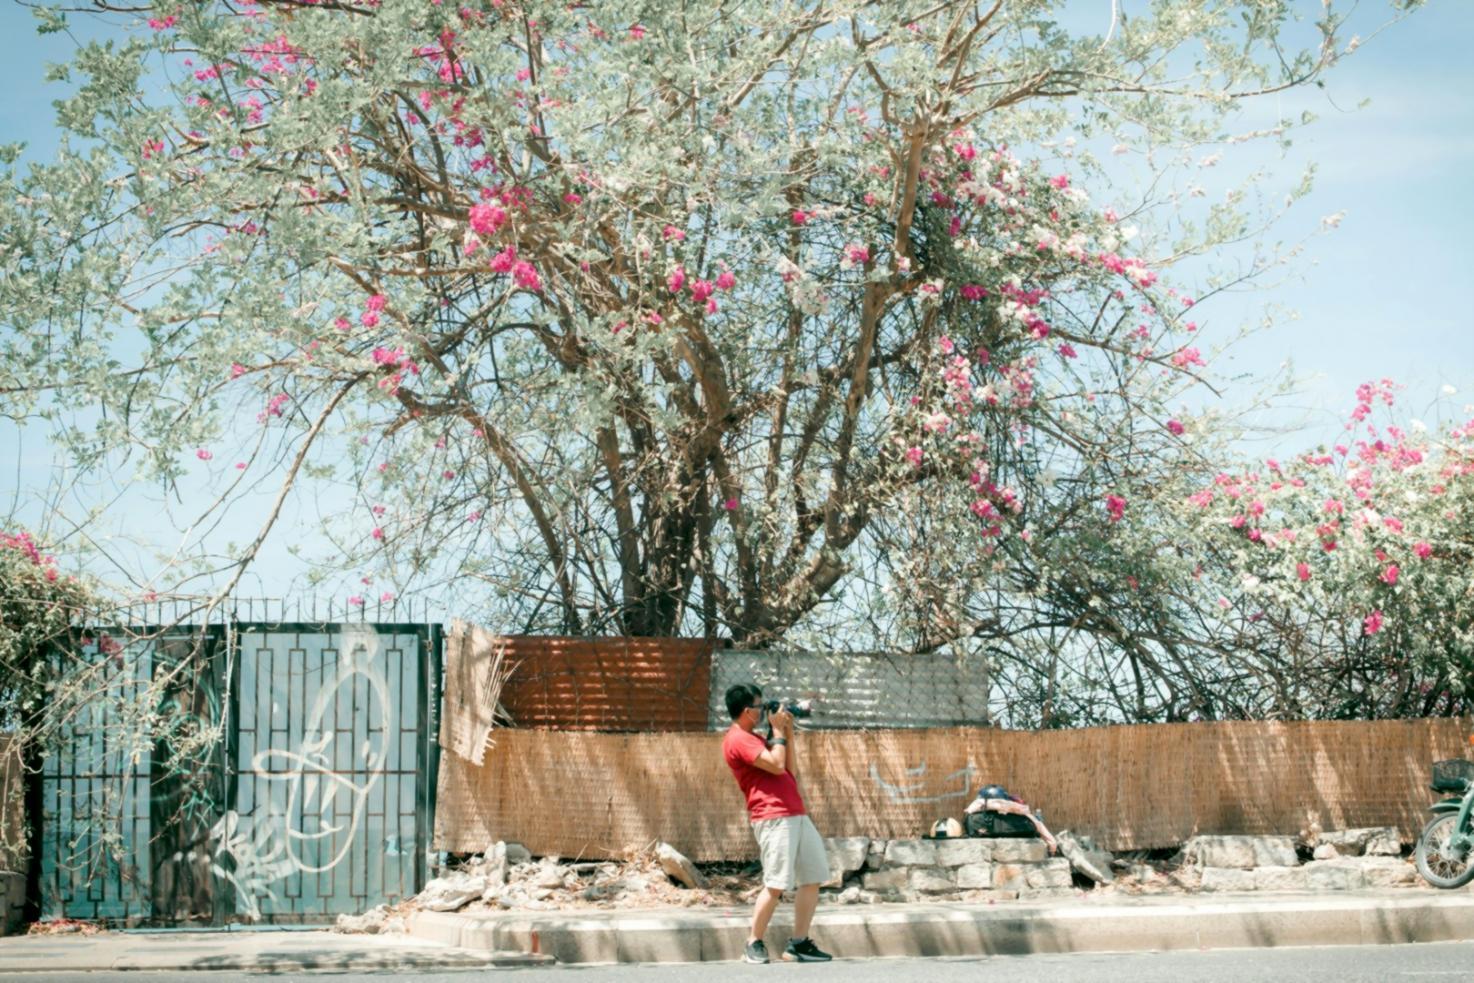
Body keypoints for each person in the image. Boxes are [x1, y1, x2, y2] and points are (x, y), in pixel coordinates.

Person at [721, 683, 833, 964]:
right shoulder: (738, 739)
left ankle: (799, 944)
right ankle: (753, 942)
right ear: (747, 711)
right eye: (759, 706)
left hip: (795, 812)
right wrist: (778, 732)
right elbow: (775, 764)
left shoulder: (756, 738)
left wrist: (787, 732)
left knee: (813, 875)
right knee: (776, 883)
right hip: (773, 816)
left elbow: (789, 771)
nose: (763, 711)